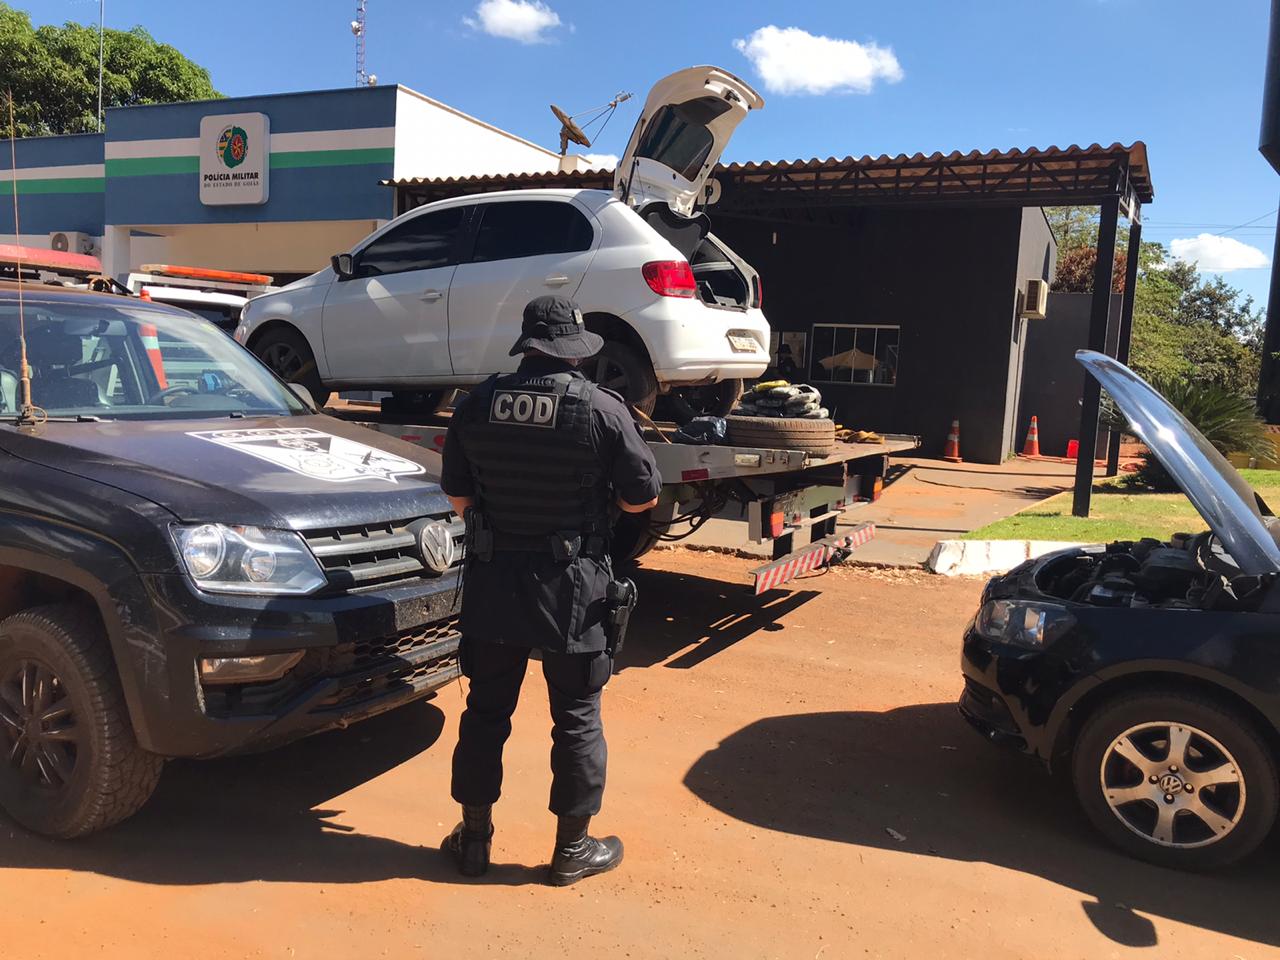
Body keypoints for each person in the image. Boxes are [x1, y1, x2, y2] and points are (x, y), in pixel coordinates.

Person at [439, 295, 661, 886]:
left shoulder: (477, 403)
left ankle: (473, 841)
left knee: (485, 713)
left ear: (527, 346)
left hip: (493, 585)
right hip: (573, 590)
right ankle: (572, 850)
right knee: (578, 717)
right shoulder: (603, 410)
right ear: (574, 351)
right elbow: (641, 498)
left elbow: (458, 499)